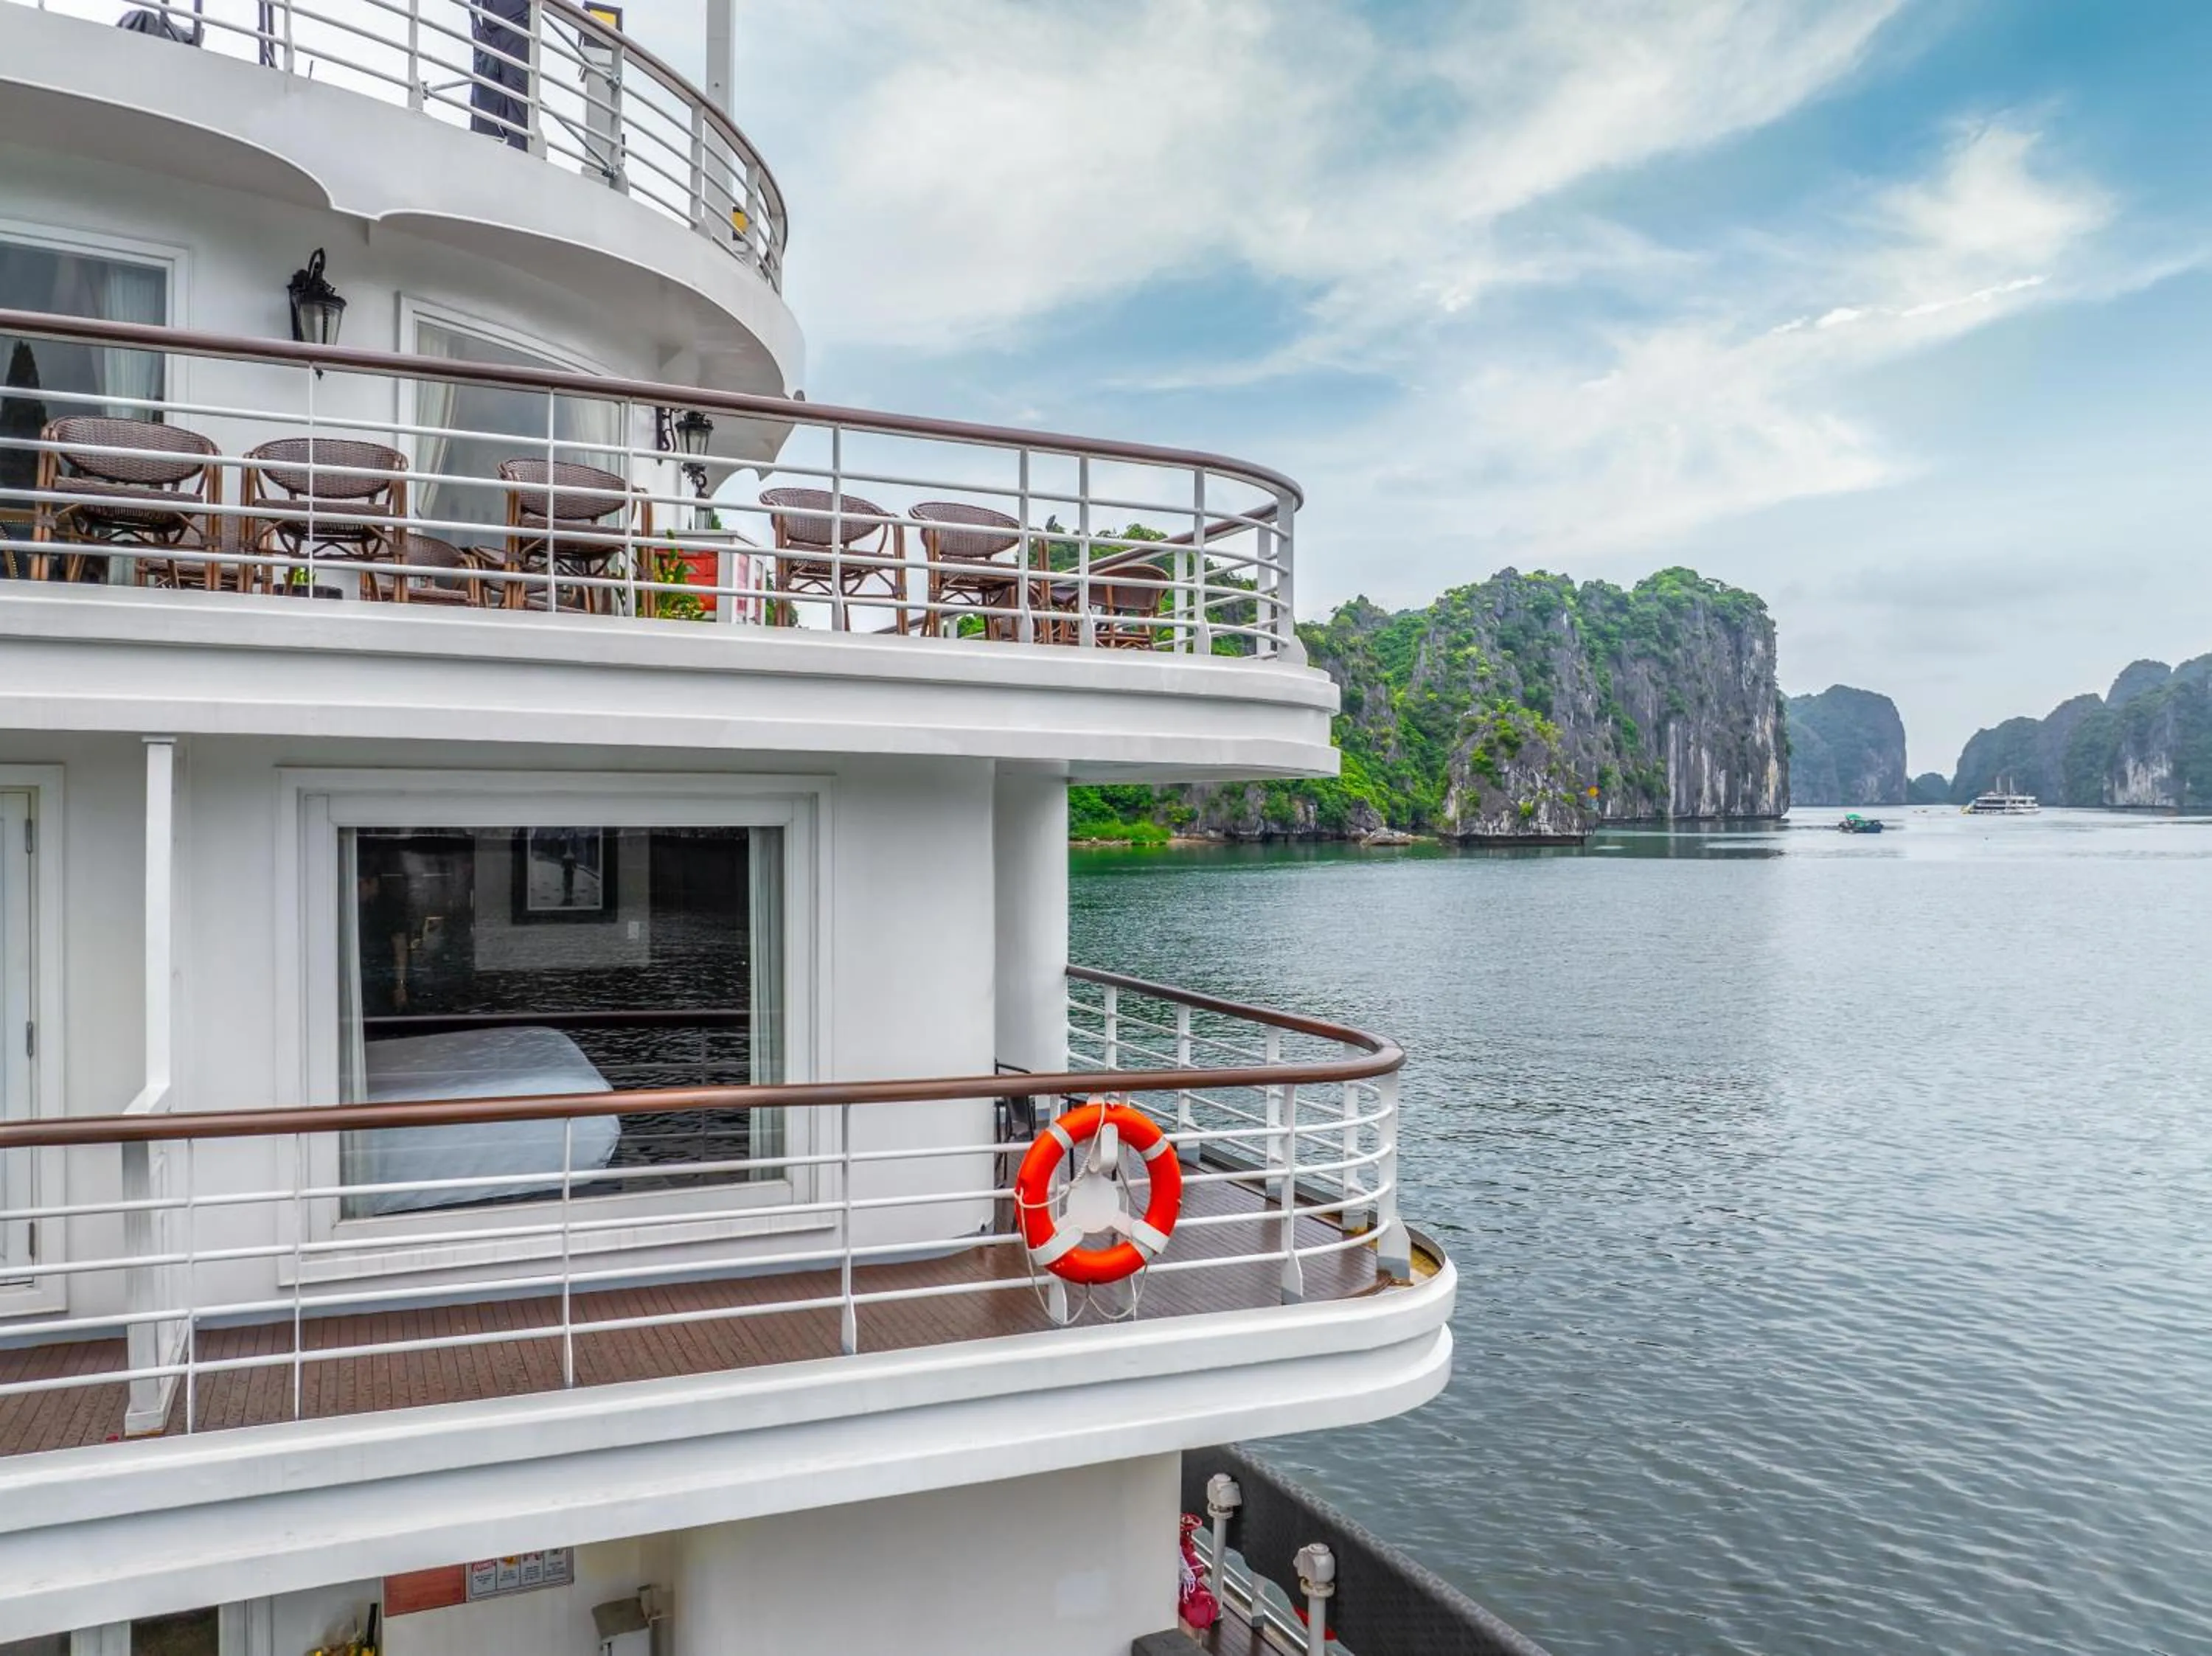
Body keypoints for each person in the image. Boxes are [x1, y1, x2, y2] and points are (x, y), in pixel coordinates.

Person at [357, 846, 413, 1015]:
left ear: (373, 883)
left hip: (383, 978)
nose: (357, 892)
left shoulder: (389, 908)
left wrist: (400, 986)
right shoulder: (357, 909)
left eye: (360, 885)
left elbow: (400, 949)